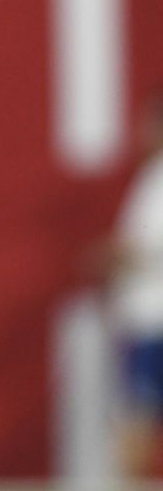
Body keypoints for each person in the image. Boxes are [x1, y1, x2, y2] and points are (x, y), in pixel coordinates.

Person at [104, 92, 163, 480]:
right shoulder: (150, 177)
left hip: (154, 322)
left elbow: (140, 249)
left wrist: (112, 257)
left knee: (137, 425)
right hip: (144, 320)